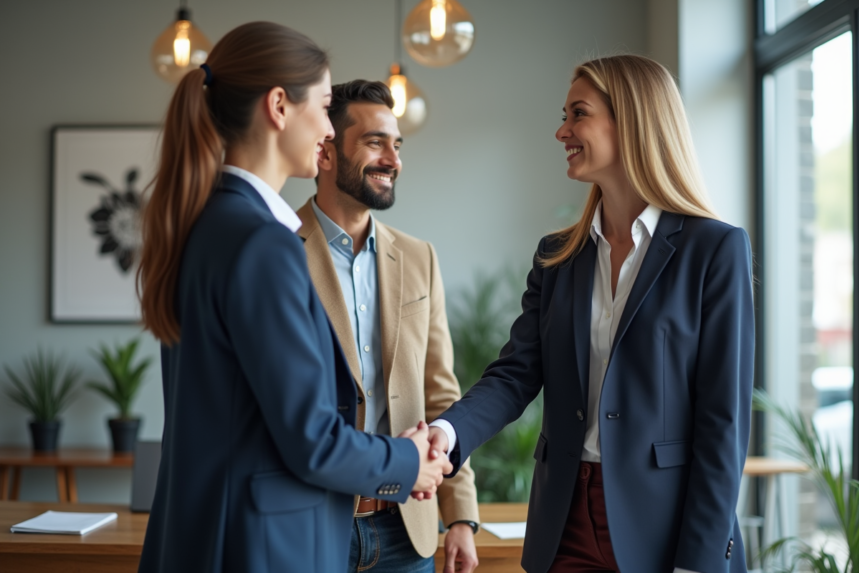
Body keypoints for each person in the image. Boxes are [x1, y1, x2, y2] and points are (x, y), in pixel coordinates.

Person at [135, 22, 451, 573]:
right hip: (260, 547)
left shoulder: (206, 225)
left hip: (209, 535)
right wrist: (408, 461)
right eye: (325, 107)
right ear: (279, 106)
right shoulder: (263, 243)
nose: (327, 130)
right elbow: (312, 439)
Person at [429, 54, 754, 573]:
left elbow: (723, 422)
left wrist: (698, 561)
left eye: (578, 114)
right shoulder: (558, 256)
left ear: (632, 121)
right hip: (565, 521)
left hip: (668, 526)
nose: (562, 131)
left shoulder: (714, 250)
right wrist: (446, 434)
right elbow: (514, 375)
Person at [296, 79, 480, 573]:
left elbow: (440, 392)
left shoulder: (419, 258)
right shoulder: (278, 249)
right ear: (325, 152)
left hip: (406, 531)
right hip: (311, 526)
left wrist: (460, 514)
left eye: (397, 145)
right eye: (375, 142)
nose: (393, 160)